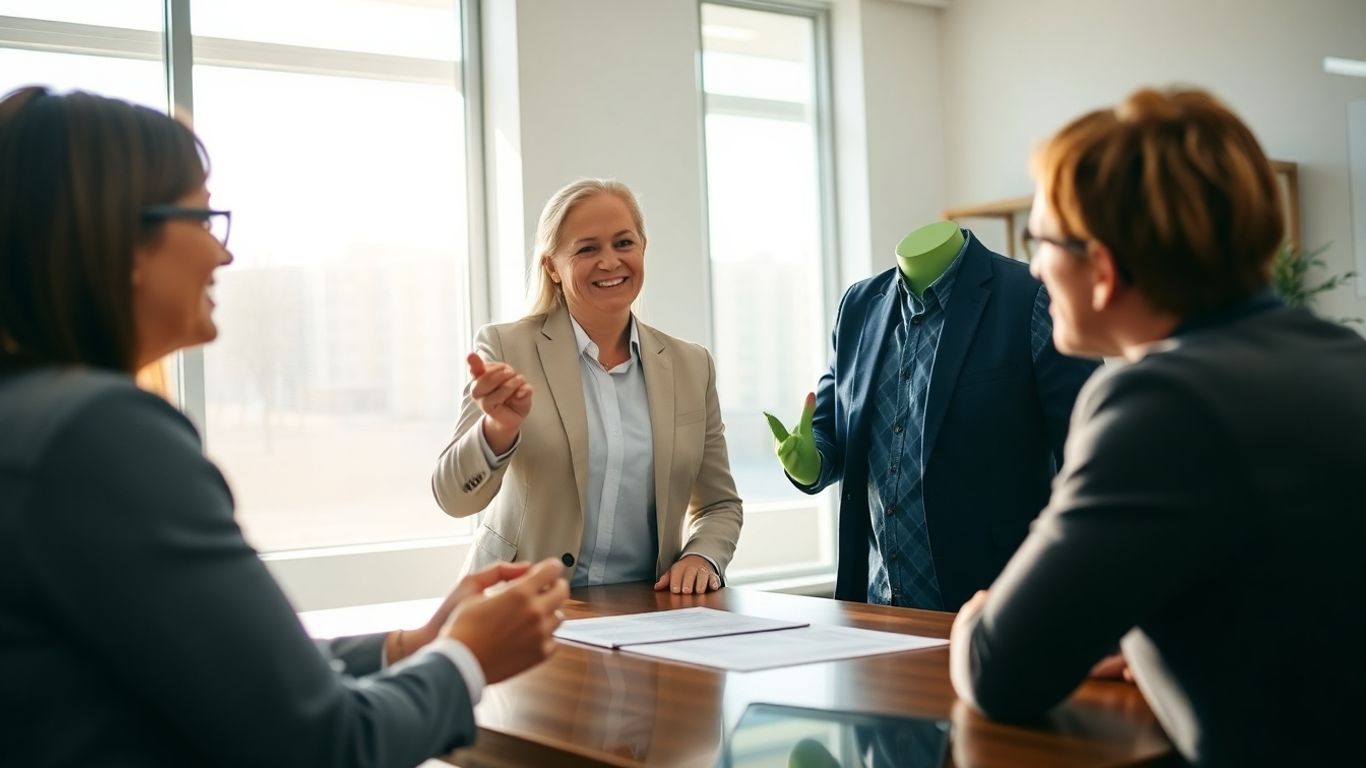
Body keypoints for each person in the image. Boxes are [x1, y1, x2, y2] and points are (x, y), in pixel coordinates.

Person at [0, 86, 568, 767]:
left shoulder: (28, 420)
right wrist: (466, 659)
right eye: (204, 218)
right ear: (123, 242)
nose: (222, 255)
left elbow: (219, 669)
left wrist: (408, 647)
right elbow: (323, 747)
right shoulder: (101, 437)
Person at [949, 87, 1366, 766]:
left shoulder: (1157, 401)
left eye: (1040, 240)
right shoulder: (1345, 357)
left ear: (1103, 269)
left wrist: (974, 615)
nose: (1034, 268)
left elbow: (999, 668)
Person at [767, 219, 1098, 611]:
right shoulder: (857, 306)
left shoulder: (1030, 296)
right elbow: (830, 432)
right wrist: (810, 463)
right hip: (875, 612)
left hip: (998, 601)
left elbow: (1091, 459)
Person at [432, 178, 743, 594]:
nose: (610, 262)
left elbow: (720, 504)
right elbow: (454, 499)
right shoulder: (506, 348)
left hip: (647, 610)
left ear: (643, 248)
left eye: (623, 243)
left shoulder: (692, 365)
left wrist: (702, 555)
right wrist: (496, 431)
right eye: (587, 249)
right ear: (552, 267)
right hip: (519, 606)